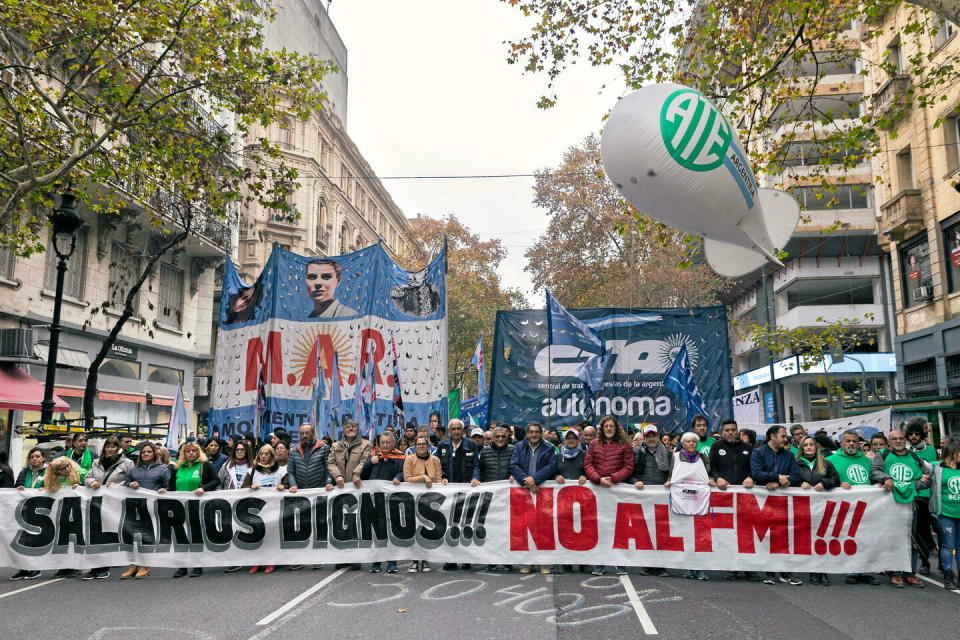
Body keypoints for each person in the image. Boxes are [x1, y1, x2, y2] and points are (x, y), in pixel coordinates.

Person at [870, 429, 933, 588]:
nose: (897, 441)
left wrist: (916, 485)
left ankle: (910, 573)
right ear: (889, 441)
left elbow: (926, 479)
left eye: (900, 438)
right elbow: (874, 472)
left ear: (905, 440)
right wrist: (886, 477)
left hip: (911, 504)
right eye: (894, 439)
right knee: (893, 538)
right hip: (890, 504)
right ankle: (894, 573)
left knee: (911, 540)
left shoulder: (914, 456)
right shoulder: (882, 455)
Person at [827, 429, 881, 586]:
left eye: (854, 441)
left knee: (866, 538)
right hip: (844, 507)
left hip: (866, 507)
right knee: (849, 538)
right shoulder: (831, 460)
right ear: (842, 443)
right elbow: (826, 480)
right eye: (848, 441)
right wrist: (838, 484)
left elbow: (872, 479)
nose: (851, 444)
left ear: (859, 444)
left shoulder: (867, 461)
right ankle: (852, 569)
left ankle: (865, 570)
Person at [751, 425, 802, 586]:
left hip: (782, 501)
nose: (785, 439)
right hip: (763, 501)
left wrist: (778, 483)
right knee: (766, 537)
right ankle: (769, 572)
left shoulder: (788, 455)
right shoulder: (758, 453)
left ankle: (786, 572)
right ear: (772, 436)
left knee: (784, 536)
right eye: (782, 436)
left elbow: (795, 475)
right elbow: (756, 473)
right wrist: (776, 477)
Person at [585, 416, 634, 576]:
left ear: (616, 428)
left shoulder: (624, 444)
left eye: (611, 426)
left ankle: (620, 563)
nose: (608, 429)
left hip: (616, 490)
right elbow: (588, 464)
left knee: (618, 528)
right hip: (598, 490)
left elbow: (628, 466)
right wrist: (598, 479)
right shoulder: (594, 444)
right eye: (606, 426)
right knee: (599, 527)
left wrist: (613, 478)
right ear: (602, 428)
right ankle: (600, 563)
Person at [708, 420, 756, 581]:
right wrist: (717, 478)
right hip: (724, 497)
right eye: (727, 430)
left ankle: (749, 568)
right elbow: (711, 467)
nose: (730, 432)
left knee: (746, 533)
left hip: (745, 497)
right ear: (722, 432)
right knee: (728, 533)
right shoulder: (716, 447)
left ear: (738, 431)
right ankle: (731, 567)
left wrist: (751, 478)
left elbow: (754, 469)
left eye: (733, 430)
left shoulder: (748, 448)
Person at [81, 437, 135, 579]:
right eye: (108, 447)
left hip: (115, 504)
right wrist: (92, 482)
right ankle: (95, 567)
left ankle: (105, 566)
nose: (110, 449)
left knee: (109, 534)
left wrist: (119, 485)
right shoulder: (96, 463)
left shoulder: (127, 463)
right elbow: (87, 477)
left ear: (118, 448)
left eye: (113, 447)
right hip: (97, 503)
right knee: (96, 535)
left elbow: (132, 480)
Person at [511, 421, 558, 574]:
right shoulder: (519, 446)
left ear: (540, 433)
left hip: (542, 491)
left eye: (536, 432)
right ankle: (528, 562)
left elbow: (551, 466)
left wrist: (535, 479)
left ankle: (544, 563)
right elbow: (513, 466)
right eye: (531, 432)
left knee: (543, 528)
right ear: (527, 433)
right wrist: (527, 480)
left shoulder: (549, 448)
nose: (534, 435)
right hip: (525, 490)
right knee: (525, 528)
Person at [667, 432, 714, 580]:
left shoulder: (704, 458)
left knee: (700, 537)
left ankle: (700, 568)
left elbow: (709, 474)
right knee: (685, 535)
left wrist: (711, 479)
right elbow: (670, 475)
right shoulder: (674, 457)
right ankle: (687, 566)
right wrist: (668, 482)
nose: (692, 443)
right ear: (683, 443)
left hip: (700, 501)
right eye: (688, 441)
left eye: (694, 441)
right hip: (681, 500)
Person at [168, 441, 218, 578]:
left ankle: (197, 565)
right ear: (183, 454)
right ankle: (182, 566)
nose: (191, 453)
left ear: (198, 452)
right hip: (179, 507)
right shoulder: (177, 468)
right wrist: (164, 492)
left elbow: (216, 481)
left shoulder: (205, 465)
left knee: (196, 535)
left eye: (194, 451)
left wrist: (204, 488)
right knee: (180, 536)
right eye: (187, 451)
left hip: (197, 506)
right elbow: (171, 486)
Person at [120, 441, 170, 580]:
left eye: (149, 451)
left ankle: (145, 565)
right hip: (134, 506)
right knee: (132, 536)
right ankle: (133, 564)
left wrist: (164, 490)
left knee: (147, 536)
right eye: (143, 452)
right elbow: (125, 483)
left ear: (154, 453)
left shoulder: (163, 469)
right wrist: (130, 483)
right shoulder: (133, 470)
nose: (146, 454)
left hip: (152, 507)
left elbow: (168, 486)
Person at [436, 418, 481, 570]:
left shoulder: (472, 445)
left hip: (467, 491)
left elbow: (476, 465)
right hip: (448, 492)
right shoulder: (442, 445)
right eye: (453, 429)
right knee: (450, 524)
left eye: (458, 429)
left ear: (463, 431)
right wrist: (441, 477)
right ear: (450, 431)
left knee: (466, 523)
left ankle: (466, 557)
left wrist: (475, 478)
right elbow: (437, 465)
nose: (456, 431)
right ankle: (451, 559)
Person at [285, 423, 329, 571]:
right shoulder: (293, 451)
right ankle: (301, 558)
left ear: (313, 433)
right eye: (302, 433)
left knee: (319, 524)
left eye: (307, 433)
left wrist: (328, 483)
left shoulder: (323, 448)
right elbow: (291, 472)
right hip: (302, 494)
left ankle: (319, 557)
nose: (304, 436)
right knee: (302, 526)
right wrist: (293, 485)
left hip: (319, 492)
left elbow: (328, 468)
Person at [796, 435, 839, 586]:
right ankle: (812, 570)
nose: (808, 447)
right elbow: (791, 479)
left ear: (816, 446)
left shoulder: (826, 463)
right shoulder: (796, 463)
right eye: (805, 445)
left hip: (822, 507)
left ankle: (823, 571)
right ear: (801, 448)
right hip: (803, 508)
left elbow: (835, 479)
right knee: (808, 539)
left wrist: (824, 483)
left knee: (822, 538)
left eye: (811, 444)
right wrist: (800, 483)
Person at [630, 425, 672, 578]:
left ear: (658, 437)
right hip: (644, 496)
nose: (651, 438)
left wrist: (669, 481)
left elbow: (672, 473)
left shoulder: (667, 454)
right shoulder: (636, 453)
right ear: (645, 438)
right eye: (648, 436)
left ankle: (661, 565)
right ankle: (648, 564)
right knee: (645, 531)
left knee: (662, 531)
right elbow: (631, 473)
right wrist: (636, 481)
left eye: (654, 435)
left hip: (662, 497)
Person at [361, 431, 405, 574]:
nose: (385, 445)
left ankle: (392, 561)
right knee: (377, 530)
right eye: (383, 443)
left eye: (388, 442)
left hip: (392, 500)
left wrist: (399, 477)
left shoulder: (400, 457)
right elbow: (362, 475)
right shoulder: (373, 457)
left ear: (393, 444)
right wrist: (369, 463)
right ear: (379, 444)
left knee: (391, 529)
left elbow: (405, 472)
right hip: (374, 499)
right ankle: (377, 560)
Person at [241, 444, 289, 575]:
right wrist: (251, 486)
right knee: (257, 535)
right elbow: (242, 488)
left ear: (272, 456)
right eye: (261, 454)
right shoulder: (252, 470)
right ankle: (257, 562)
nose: (263, 456)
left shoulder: (280, 471)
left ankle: (271, 561)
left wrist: (283, 486)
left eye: (266, 454)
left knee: (272, 536)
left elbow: (289, 485)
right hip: (257, 509)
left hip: (274, 508)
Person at [404, 436, 441, 573]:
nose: (421, 446)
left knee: (427, 530)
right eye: (418, 444)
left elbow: (438, 479)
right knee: (413, 529)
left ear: (428, 445)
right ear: (414, 446)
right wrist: (423, 477)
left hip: (430, 500)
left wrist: (442, 482)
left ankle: (425, 560)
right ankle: (414, 561)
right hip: (413, 500)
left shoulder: (435, 460)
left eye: (423, 444)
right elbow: (407, 479)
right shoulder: (409, 459)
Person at [906, 419, 938, 576]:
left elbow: (933, 473)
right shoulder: (904, 451)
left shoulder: (931, 450)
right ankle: (924, 561)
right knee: (919, 531)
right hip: (913, 496)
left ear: (922, 435)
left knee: (935, 530)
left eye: (916, 433)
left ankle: (940, 561)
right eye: (911, 434)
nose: (913, 436)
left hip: (929, 496)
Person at [930, 438, 960, 590]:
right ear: (952, 452)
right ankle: (947, 574)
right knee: (948, 544)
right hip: (945, 513)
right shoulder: (937, 468)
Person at [327, 419, 371, 490]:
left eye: (353, 426)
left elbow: (364, 461)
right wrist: (337, 476)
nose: (350, 428)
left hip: (358, 486)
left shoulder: (366, 444)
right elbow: (331, 463)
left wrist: (356, 473)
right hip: (339, 487)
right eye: (348, 427)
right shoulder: (335, 446)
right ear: (344, 431)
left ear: (357, 429)